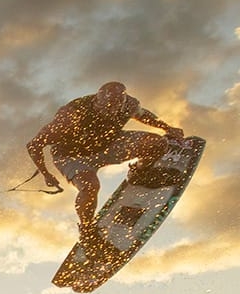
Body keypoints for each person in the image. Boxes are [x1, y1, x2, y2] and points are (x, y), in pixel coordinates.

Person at [27, 82, 184, 242]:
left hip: (108, 145)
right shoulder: (71, 115)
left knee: (157, 143)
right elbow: (34, 144)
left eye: (114, 108)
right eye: (106, 108)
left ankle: (141, 173)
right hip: (72, 157)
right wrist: (46, 173)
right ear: (97, 101)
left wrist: (167, 128)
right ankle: (87, 231)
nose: (110, 112)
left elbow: (143, 115)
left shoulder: (128, 104)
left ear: (122, 103)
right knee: (89, 187)